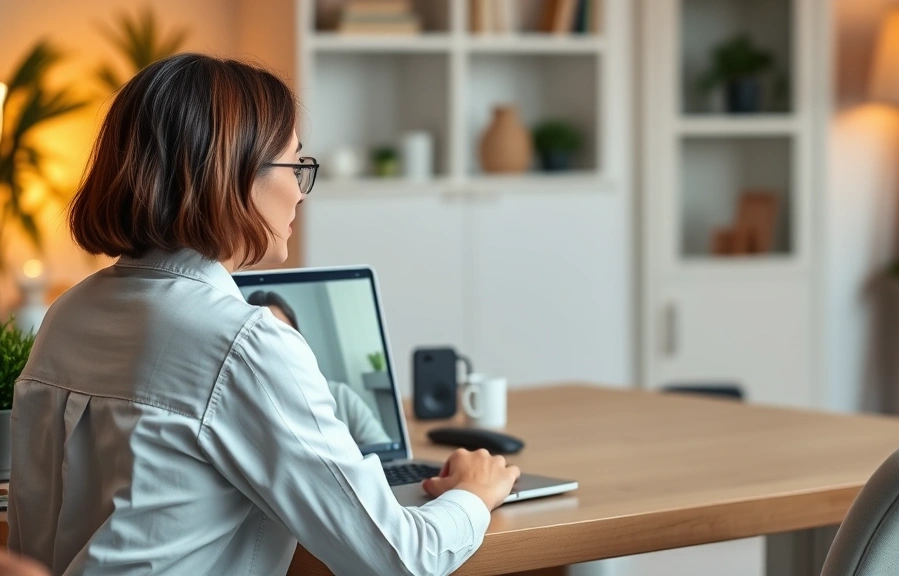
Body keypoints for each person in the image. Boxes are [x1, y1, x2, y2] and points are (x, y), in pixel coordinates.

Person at [8, 53, 519, 576]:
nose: (301, 192)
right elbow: (397, 558)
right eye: (294, 164)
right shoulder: (240, 342)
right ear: (230, 173)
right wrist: (475, 495)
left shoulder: (66, 313)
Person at [245, 290, 392, 446]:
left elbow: (386, 451)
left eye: (288, 334)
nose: (283, 346)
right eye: (271, 337)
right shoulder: (249, 415)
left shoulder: (340, 397)